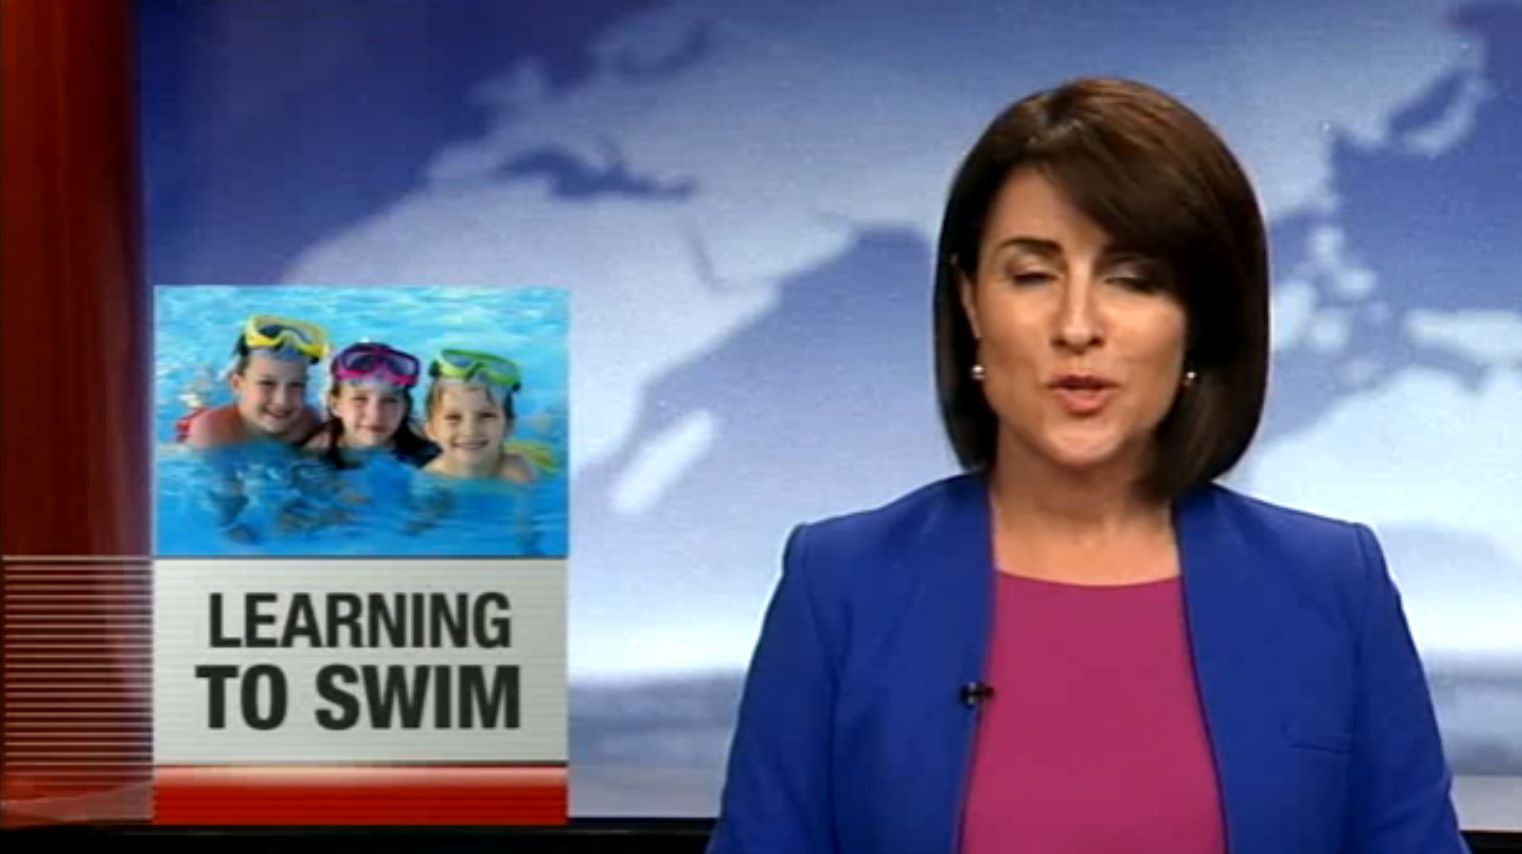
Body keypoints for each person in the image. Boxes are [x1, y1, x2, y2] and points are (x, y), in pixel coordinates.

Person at [707, 78, 1466, 854]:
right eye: (1032, 275)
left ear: (1198, 320)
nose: (1077, 325)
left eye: (1132, 279)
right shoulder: (841, 585)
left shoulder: (1332, 585)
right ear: (970, 302)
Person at [182, 314, 328, 448]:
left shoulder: (310, 424)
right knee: (197, 408)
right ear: (237, 384)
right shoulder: (212, 432)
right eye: (267, 383)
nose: (282, 401)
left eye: (297, 385)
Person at [302, 341, 437, 469]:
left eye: (390, 400)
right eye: (359, 399)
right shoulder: (319, 451)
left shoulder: (422, 443)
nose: (375, 414)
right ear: (335, 405)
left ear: (405, 407)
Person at [420, 349, 537, 483]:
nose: (470, 430)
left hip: (535, 453)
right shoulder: (431, 477)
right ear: (431, 430)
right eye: (453, 417)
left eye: (486, 415)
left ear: (509, 426)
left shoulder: (515, 471)